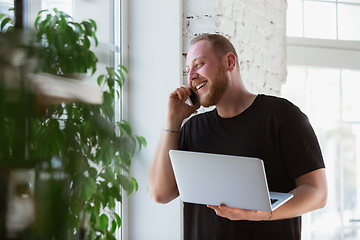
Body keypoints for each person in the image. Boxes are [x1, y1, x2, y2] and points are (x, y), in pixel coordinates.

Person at [148, 33, 327, 239]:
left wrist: (263, 214)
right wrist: (173, 119)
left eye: (199, 64)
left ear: (229, 62)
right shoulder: (192, 128)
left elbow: (317, 193)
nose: (191, 77)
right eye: (188, 70)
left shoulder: (282, 116)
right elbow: (159, 194)